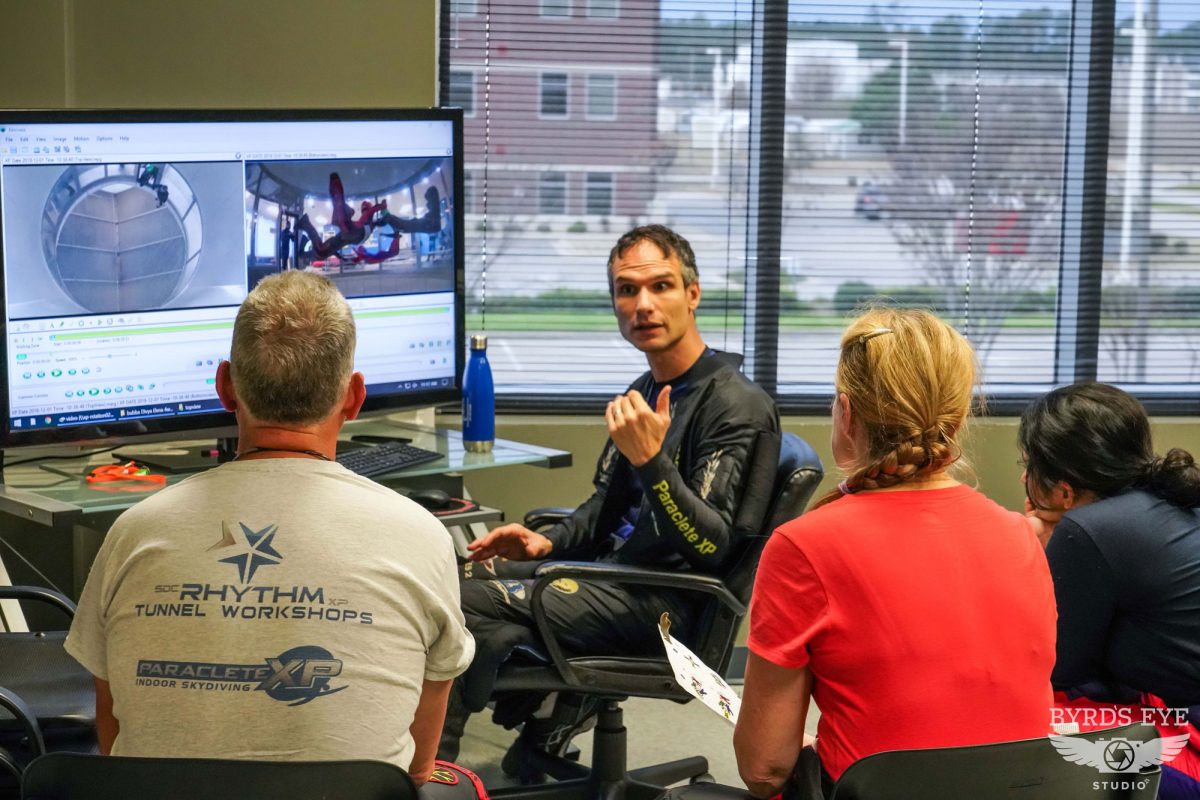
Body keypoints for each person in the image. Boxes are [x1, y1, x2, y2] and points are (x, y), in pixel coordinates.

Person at [64, 271, 473, 785]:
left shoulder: (133, 532)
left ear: (225, 386)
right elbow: (415, 770)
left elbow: (115, 732)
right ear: (353, 397)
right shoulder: (422, 535)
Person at [439, 224, 780, 761]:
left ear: (693, 294)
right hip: (614, 579)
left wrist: (652, 461)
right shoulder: (641, 391)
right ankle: (517, 673)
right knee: (454, 580)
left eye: (661, 286)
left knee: (454, 602)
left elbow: (712, 547)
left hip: (668, 605)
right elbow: (604, 510)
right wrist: (546, 544)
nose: (643, 304)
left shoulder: (735, 405)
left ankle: (434, 774)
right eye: (627, 290)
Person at [734, 308, 1056, 798]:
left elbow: (764, 769)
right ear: (959, 417)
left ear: (846, 412)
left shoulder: (803, 547)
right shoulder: (1021, 536)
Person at [1020, 382, 1200, 799]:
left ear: (1063, 490)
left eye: (1028, 464)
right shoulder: (1173, 500)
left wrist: (1046, 546)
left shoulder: (1091, 529)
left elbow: (1060, 670)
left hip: (1185, 746)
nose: (1023, 477)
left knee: (1020, 717)